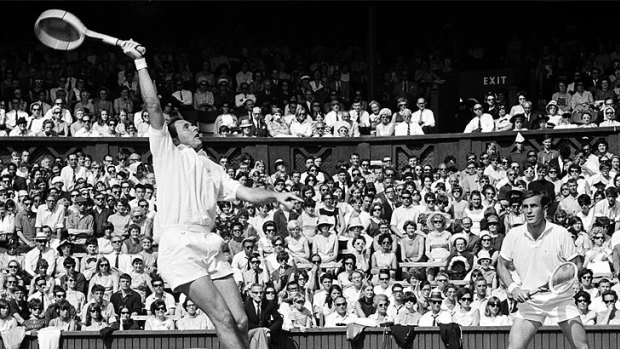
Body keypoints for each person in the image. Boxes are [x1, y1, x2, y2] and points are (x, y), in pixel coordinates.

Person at [122, 39, 300, 349]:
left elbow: (244, 192)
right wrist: (139, 62)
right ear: (175, 138)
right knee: (223, 318)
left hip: (210, 243)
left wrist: (277, 196)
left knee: (242, 320)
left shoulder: (212, 167)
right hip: (179, 245)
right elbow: (152, 106)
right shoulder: (167, 153)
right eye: (187, 126)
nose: (194, 127)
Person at [497, 190, 588, 349]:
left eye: (533, 206)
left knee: (582, 347)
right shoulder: (513, 234)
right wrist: (513, 288)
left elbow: (576, 265)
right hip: (531, 304)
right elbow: (501, 264)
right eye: (525, 207)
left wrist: (554, 280)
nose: (529, 211)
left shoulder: (560, 233)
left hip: (561, 301)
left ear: (544, 208)